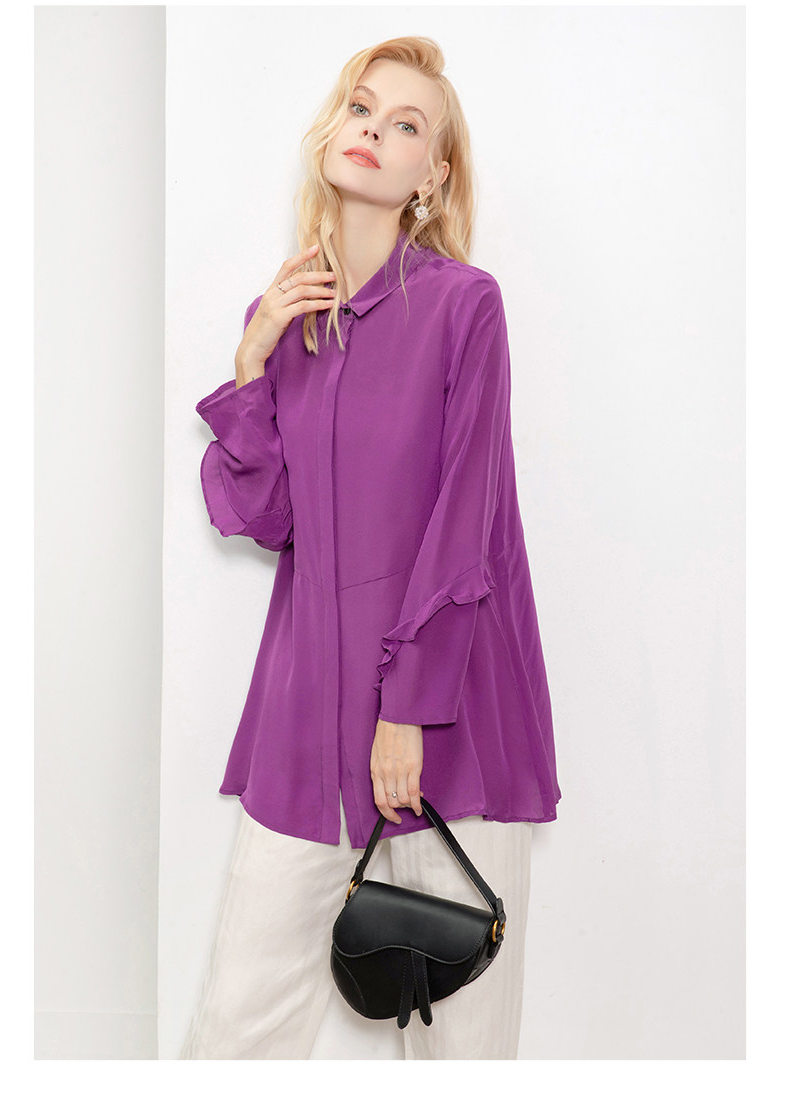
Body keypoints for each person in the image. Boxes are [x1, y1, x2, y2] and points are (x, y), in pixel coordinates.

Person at [181, 35, 561, 1061]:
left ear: (431, 173)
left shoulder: (463, 307)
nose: (374, 132)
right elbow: (267, 520)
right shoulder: (285, 319)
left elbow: (466, 519)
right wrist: (251, 361)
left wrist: (407, 709)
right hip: (307, 724)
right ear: (330, 131)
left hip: (448, 723)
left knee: (462, 1049)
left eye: (405, 125)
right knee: (235, 1030)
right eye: (361, 109)